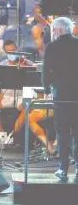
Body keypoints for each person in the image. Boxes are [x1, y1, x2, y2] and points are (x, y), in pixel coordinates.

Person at [42, 17, 78, 178]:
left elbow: (45, 71)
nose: (53, 33)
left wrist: (45, 88)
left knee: (62, 132)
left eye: (54, 30)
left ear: (59, 30)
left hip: (61, 95)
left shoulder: (52, 47)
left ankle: (63, 167)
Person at [0, 40, 35, 147]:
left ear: (17, 50)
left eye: (13, 51)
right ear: (5, 52)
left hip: (21, 96)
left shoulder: (29, 64)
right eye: (9, 52)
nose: (12, 54)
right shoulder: (1, 66)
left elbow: (34, 84)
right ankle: (2, 135)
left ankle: (11, 136)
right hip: (6, 96)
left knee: (27, 106)